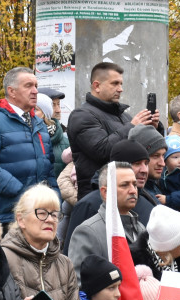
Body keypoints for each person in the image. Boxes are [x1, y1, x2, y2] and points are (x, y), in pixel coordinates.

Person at [0, 67, 57, 227]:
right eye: (28, 86)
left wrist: (54, 198)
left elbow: (49, 168)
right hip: (9, 217)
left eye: (36, 86)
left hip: (41, 214)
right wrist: (21, 192)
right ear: (11, 91)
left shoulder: (39, 123)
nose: (35, 91)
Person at [68, 62, 161, 198]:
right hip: (99, 194)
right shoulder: (81, 115)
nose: (120, 89)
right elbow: (102, 151)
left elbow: (146, 152)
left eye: (121, 84)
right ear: (97, 86)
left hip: (128, 192)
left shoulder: (124, 116)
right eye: (115, 83)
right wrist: (132, 127)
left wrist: (154, 128)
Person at [68, 162, 145, 276]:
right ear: (105, 192)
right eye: (125, 185)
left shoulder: (141, 228)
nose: (133, 190)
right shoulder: (88, 232)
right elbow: (80, 284)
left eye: (134, 184)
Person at [35, 91, 70, 175]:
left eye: (58, 104)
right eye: (53, 105)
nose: (58, 110)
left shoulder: (67, 143)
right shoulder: (25, 138)